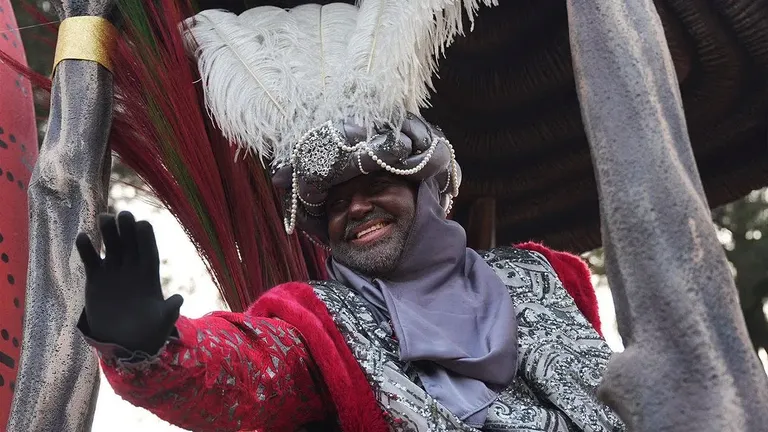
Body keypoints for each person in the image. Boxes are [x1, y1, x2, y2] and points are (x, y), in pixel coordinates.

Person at [75, 3, 625, 431]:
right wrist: (152, 345)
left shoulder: (539, 275)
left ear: (423, 190)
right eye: (335, 203)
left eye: (376, 185)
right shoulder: (321, 322)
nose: (356, 208)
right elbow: (250, 372)